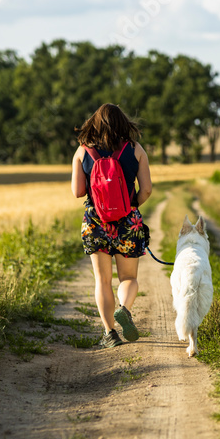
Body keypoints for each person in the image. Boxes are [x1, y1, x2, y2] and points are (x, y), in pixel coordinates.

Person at [71, 103, 154, 348]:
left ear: (94, 124)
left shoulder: (82, 151)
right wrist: (130, 207)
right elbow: (147, 189)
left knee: (102, 280)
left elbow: (77, 192)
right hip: (128, 221)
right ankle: (124, 309)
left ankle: (110, 334)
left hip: (96, 222)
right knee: (128, 277)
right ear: (123, 123)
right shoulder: (136, 149)